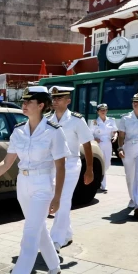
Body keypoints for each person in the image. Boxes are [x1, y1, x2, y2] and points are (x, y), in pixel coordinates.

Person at [0, 86, 70, 274]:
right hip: (23, 183)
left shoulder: (54, 131)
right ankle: (54, 267)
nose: (24, 105)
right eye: (23, 101)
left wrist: (57, 197)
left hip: (43, 185)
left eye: (29, 101)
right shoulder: (19, 130)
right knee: (38, 229)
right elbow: (7, 162)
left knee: (29, 236)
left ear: (41, 105)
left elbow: (61, 166)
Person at [47, 86, 94, 252]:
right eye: (54, 98)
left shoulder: (76, 120)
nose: (55, 101)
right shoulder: (47, 120)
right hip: (52, 165)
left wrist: (90, 169)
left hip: (71, 164)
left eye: (59, 98)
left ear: (68, 101)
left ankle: (56, 240)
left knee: (63, 199)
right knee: (56, 198)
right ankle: (66, 233)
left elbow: (87, 143)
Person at [89, 103, 117, 192]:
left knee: (107, 163)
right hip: (99, 144)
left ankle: (99, 180)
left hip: (108, 144)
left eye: (104, 110)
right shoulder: (94, 122)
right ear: (98, 112)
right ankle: (102, 184)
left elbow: (115, 131)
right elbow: (89, 134)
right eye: (101, 110)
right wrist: (94, 138)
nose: (103, 112)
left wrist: (115, 136)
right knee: (101, 163)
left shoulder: (111, 121)